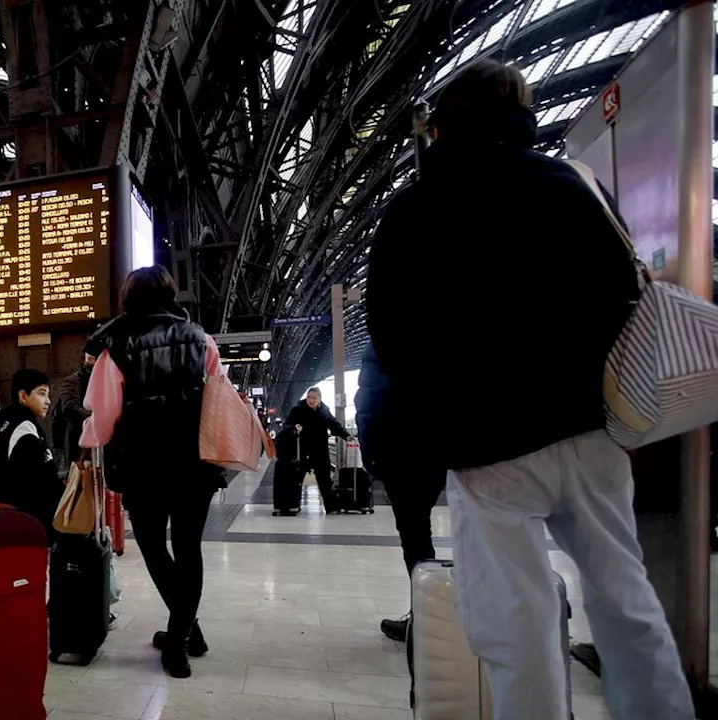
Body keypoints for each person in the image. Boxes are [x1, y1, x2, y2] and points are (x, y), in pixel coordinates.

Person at [366, 60, 692, 720]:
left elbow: (391, 338)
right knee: (625, 599)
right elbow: (626, 299)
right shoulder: (576, 184)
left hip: (488, 447)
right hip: (587, 431)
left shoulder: (415, 207)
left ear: (442, 120)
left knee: (517, 621)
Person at [81, 265, 226, 679]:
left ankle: (183, 633)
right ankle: (185, 633)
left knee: (153, 548)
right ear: (170, 295)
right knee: (189, 549)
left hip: (143, 465)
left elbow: (104, 416)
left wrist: (86, 441)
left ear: (129, 298)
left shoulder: (116, 346)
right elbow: (218, 400)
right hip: (195, 464)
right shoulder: (202, 339)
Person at [354, 342, 446, 642]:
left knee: (417, 537)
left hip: (401, 455)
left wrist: (371, 460)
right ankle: (478, 621)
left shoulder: (385, 342)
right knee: (482, 541)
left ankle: (427, 621)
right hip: (448, 450)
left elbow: (368, 402)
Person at [0, 369, 60, 532]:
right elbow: (36, 483)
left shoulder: (8, 424)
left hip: (8, 518)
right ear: (23, 396)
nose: (48, 401)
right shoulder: (24, 429)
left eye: (48, 395)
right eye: (41, 394)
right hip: (25, 523)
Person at [277, 387, 351, 516]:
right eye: (309, 397)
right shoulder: (298, 410)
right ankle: (292, 506)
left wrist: (346, 435)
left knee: (324, 480)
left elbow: (335, 425)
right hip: (301, 450)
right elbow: (287, 424)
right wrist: (294, 427)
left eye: (314, 398)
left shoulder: (324, 412)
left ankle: (331, 507)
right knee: (296, 478)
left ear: (319, 399)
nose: (311, 400)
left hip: (320, 450)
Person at [52, 344, 99, 475]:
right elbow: (69, 407)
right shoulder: (74, 381)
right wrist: (96, 419)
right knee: (80, 479)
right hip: (78, 442)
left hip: (98, 441)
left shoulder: (103, 381)